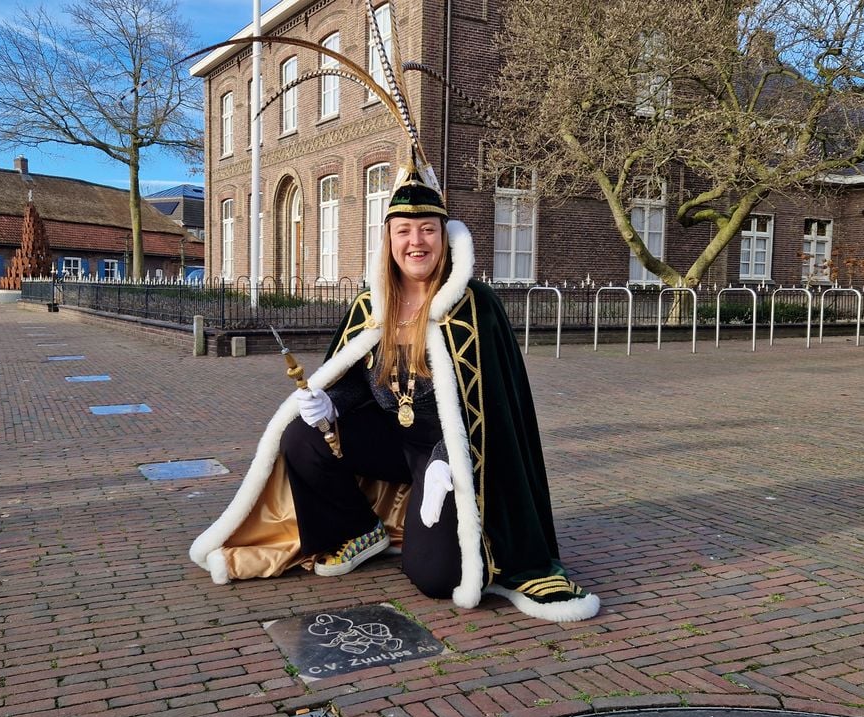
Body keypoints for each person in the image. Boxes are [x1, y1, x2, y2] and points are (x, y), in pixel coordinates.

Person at [189, 166, 599, 623]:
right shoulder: (370, 303)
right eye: (404, 230)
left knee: (437, 579)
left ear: (445, 238)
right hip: (389, 439)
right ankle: (360, 529)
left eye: (427, 230)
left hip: (448, 455)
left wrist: (447, 458)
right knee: (301, 437)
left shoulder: (475, 305)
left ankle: (421, 530)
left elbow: (491, 409)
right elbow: (352, 382)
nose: (416, 242)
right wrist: (329, 405)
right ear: (388, 239)